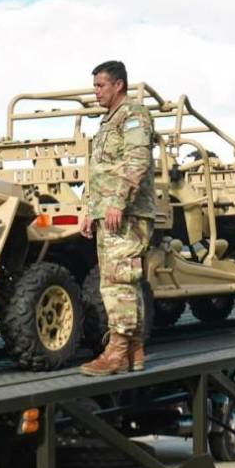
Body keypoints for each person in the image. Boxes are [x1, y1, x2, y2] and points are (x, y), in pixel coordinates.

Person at [79, 60, 156, 376]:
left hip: (126, 214)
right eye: (95, 86)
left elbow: (137, 161)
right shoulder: (106, 124)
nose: (96, 92)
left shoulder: (134, 116)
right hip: (107, 212)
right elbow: (97, 173)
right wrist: (88, 211)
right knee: (122, 280)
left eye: (101, 86)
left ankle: (116, 351)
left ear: (119, 85)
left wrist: (118, 203)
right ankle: (134, 351)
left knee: (117, 282)